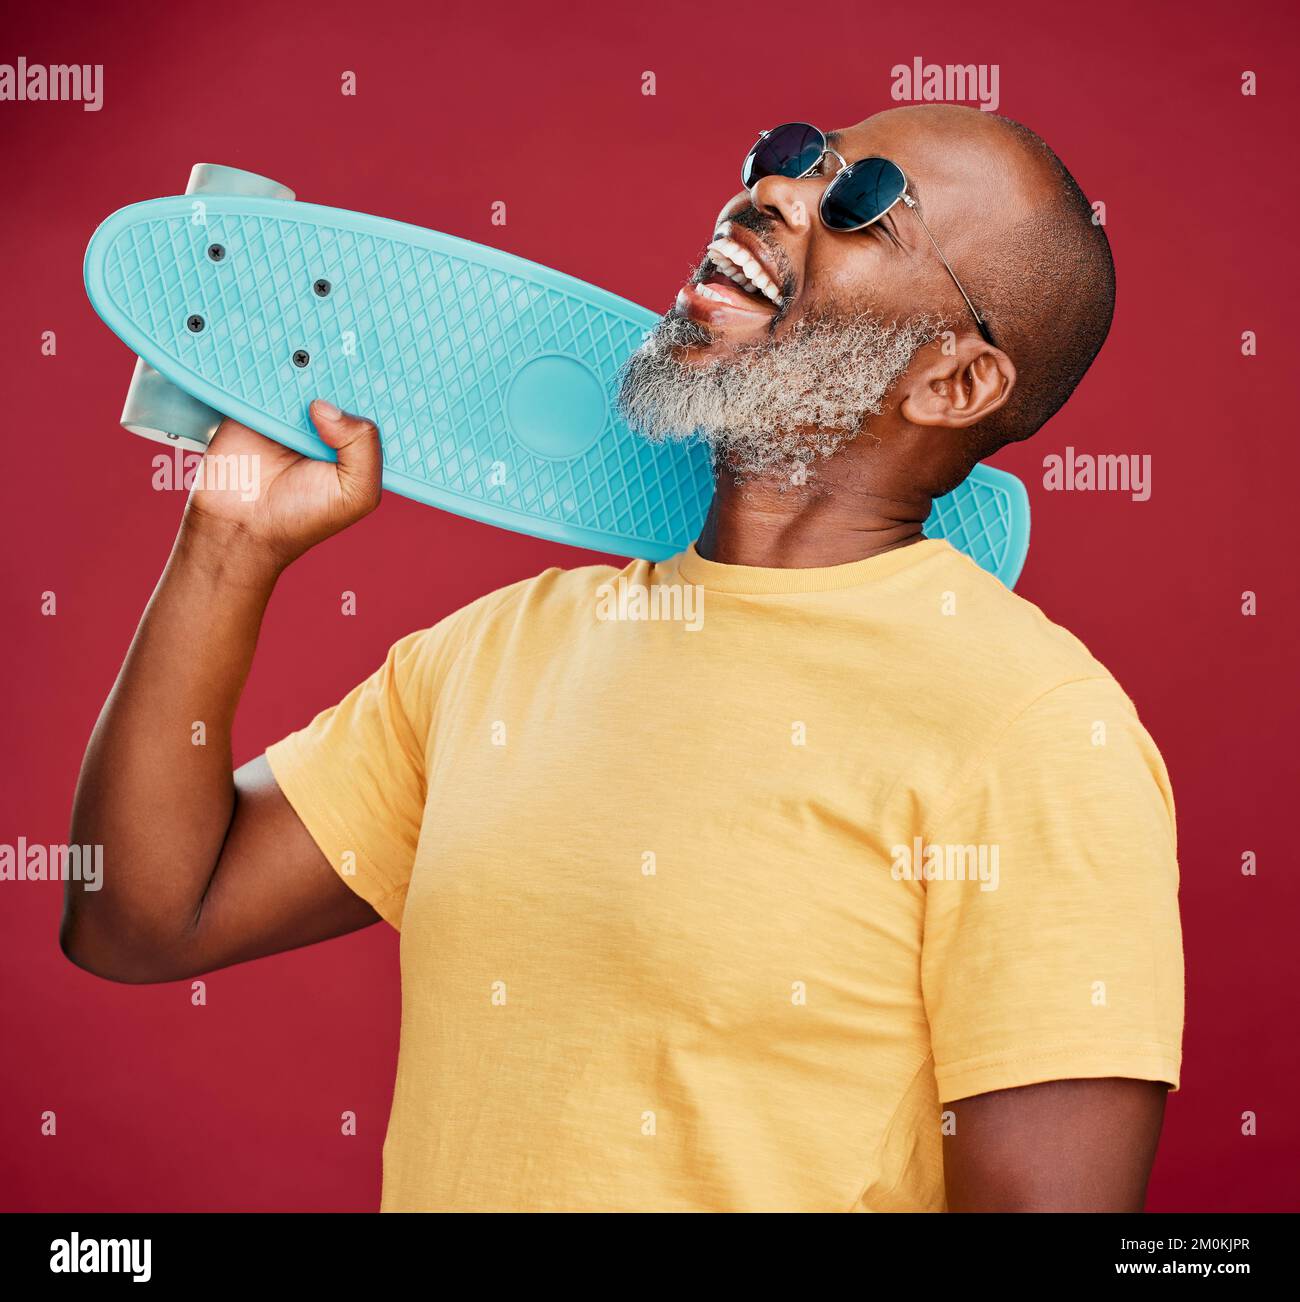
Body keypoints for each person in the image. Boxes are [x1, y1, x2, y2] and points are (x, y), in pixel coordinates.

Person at [63, 105, 1184, 1212]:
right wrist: (229, 544)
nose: (774, 191)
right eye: (795, 153)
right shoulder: (503, 651)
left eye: (860, 206)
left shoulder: (1035, 729)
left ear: (952, 384)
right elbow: (140, 918)